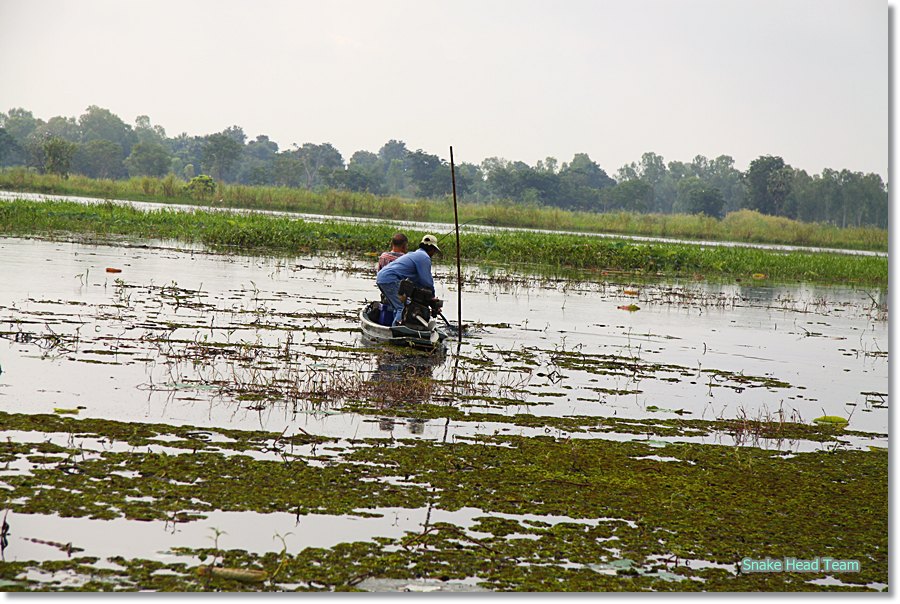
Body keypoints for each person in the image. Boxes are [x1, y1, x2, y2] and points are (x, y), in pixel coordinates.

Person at [375, 234, 441, 326]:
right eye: (434, 251)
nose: (433, 254)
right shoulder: (424, 258)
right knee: (401, 308)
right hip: (390, 279)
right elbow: (427, 282)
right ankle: (395, 331)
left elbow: (417, 281)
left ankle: (394, 326)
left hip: (382, 278)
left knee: (396, 307)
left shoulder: (415, 254)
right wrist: (433, 298)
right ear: (432, 249)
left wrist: (431, 301)